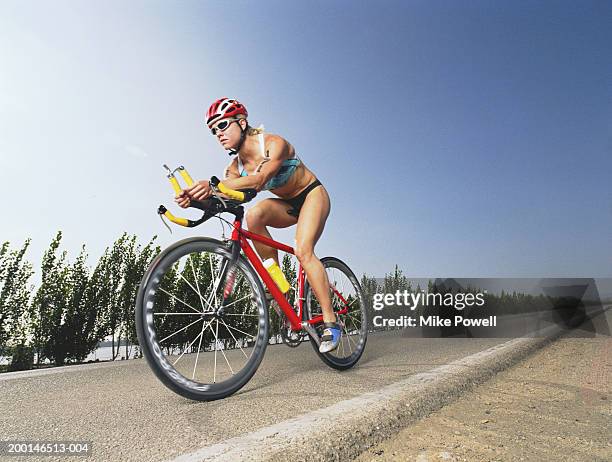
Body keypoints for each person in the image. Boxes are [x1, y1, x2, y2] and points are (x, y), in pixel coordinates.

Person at [175, 97, 340, 353]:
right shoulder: (233, 168)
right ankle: (279, 285)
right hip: (286, 205)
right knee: (253, 216)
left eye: (222, 125)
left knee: (303, 251)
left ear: (242, 122)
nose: (218, 134)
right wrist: (197, 200)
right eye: (213, 130)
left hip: (312, 195)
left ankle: (331, 321)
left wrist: (211, 185)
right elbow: (225, 198)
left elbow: (260, 179)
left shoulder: (274, 144)